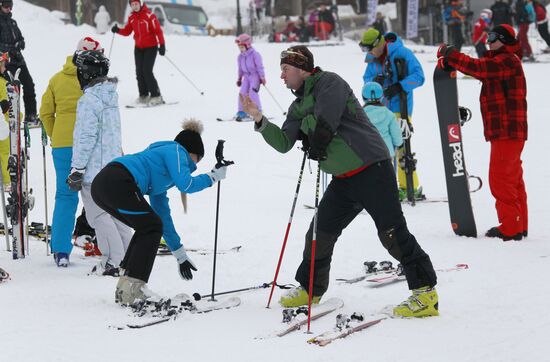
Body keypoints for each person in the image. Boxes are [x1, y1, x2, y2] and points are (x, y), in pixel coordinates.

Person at [242, 45, 438, 318]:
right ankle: (311, 288)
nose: (282, 76)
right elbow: (285, 143)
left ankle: (425, 293)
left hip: (372, 168)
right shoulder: (297, 106)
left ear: (302, 68)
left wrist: (317, 143)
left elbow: (328, 118)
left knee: (391, 232)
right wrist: (259, 119)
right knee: (318, 234)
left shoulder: (329, 82)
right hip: (344, 179)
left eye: (286, 69)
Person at [89, 120, 230, 305]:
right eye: (197, 160)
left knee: (149, 225)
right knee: (150, 226)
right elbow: (186, 184)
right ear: (191, 152)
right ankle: (133, 287)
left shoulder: (158, 175)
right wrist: (212, 178)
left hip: (103, 185)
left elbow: (163, 220)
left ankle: (126, 286)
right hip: (119, 179)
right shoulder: (176, 151)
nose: (195, 165)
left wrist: (180, 255)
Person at [437, 24, 528, 241]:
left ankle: (511, 228)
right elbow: (481, 68)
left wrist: (451, 55)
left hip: (507, 131)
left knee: (501, 180)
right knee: (513, 179)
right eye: (488, 36)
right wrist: (453, 60)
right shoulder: (503, 60)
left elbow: (479, 68)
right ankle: (518, 223)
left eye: (494, 36)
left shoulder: (507, 60)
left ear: (505, 40)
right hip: (508, 132)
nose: (489, 40)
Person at [66, 50, 133, 275]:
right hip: (114, 167)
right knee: (116, 214)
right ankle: (129, 258)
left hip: (94, 171)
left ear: (86, 73)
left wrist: (77, 168)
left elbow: (86, 137)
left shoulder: (89, 100)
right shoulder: (110, 96)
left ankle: (113, 261)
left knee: (99, 216)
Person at [39, 37, 103, 267]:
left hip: (63, 145)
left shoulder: (57, 79)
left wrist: (55, 135)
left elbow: (45, 112)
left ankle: (61, 251)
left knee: (65, 196)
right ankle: (106, 244)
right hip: (92, 145)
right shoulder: (96, 80)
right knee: (99, 193)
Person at [361, 28, 425, 201]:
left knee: (402, 147)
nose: (367, 53)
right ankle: (384, 186)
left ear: (378, 43)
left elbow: (419, 76)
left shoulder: (402, 53)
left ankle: (409, 186)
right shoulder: (373, 59)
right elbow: (366, 79)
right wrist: (374, 83)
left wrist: (399, 86)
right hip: (379, 108)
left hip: (400, 107)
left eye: (369, 48)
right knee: (381, 149)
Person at [112, 0, 165, 106]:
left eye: (136, 4)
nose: (134, 6)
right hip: (138, 48)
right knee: (139, 72)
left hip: (151, 47)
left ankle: (156, 95)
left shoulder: (150, 16)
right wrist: (117, 30)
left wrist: (162, 45)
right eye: (132, 5)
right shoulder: (132, 18)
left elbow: (158, 31)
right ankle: (143, 95)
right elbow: (127, 32)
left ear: (140, 3)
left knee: (147, 71)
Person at [0, 0, 39, 126]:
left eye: (10, 7)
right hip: (6, 61)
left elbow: (21, 39)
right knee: (10, 88)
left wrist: (20, 43)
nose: (9, 9)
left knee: (29, 85)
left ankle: (30, 116)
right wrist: (10, 47)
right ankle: (10, 117)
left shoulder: (12, 22)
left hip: (19, 60)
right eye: (6, 6)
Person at [362, 82, 402, 160]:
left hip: (367, 154)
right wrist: (399, 144)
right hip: (386, 153)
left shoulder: (360, 115)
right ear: (382, 97)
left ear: (363, 97)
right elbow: (396, 135)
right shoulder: (389, 114)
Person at [235, 33, 265, 122]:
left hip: (255, 76)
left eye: (242, 47)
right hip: (246, 77)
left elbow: (260, 66)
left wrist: (262, 77)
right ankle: (242, 112)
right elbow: (240, 69)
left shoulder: (255, 55)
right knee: (242, 92)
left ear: (247, 45)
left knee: (252, 93)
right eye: (239, 47)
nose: (240, 49)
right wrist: (239, 78)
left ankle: (257, 111)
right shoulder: (240, 57)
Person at [0, 52, 11, 186]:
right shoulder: (2, 82)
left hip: (5, 120)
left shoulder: (4, 80)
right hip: (3, 123)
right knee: (4, 152)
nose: (5, 68)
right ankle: (7, 181)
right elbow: (6, 104)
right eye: (2, 65)